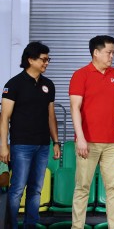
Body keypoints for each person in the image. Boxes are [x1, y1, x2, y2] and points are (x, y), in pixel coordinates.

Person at [69, 35, 114, 229]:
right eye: (108, 52)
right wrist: (80, 138)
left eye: (113, 52)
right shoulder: (81, 74)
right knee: (82, 189)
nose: (112, 55)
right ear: (96, 52)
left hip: (113, 143)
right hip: (88, 142)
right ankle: (77, 227)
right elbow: (74, 108)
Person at [0, 42, 60, 229]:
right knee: (17, 189)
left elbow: (51, 116)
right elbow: (4, 118)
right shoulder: (14, 84)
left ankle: (30, 225)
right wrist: (3, 146)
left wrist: (56, 142)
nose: (46, 63)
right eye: (43, 59)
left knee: (36, 190)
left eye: (48, 59)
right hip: (21, 146)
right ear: (30, 59)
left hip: (43, 145)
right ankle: (11, 225)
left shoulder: (48, 85)